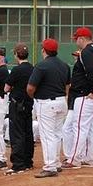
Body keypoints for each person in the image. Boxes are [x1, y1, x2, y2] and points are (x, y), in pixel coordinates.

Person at [62, 27, 93, 169]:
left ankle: (74, 159)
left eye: (76, 39)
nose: (76, 42)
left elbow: (92, 72)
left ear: (82, 38)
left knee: (79, 127)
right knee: (92, 127)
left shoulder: (87, 51)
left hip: (85, 95)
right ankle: (91, 159)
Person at [27, 39, 70, 178]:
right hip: (61, 101)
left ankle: (50, 167)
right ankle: (56, 163)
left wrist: (33, 96)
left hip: (46, 103)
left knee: (47, 136)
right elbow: (67, 86)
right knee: (57, 134)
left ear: (43, 50)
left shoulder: (41, 66)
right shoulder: (64, 65)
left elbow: (30, 87)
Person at [4, 42, 34, 175]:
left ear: (16, 54)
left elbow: (6, 88)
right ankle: (28, 162)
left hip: (17, 104)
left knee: (17, 134)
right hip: (29, 103)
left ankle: (18, 164)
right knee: (28, 132)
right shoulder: (33, 68)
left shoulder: (16, 69)